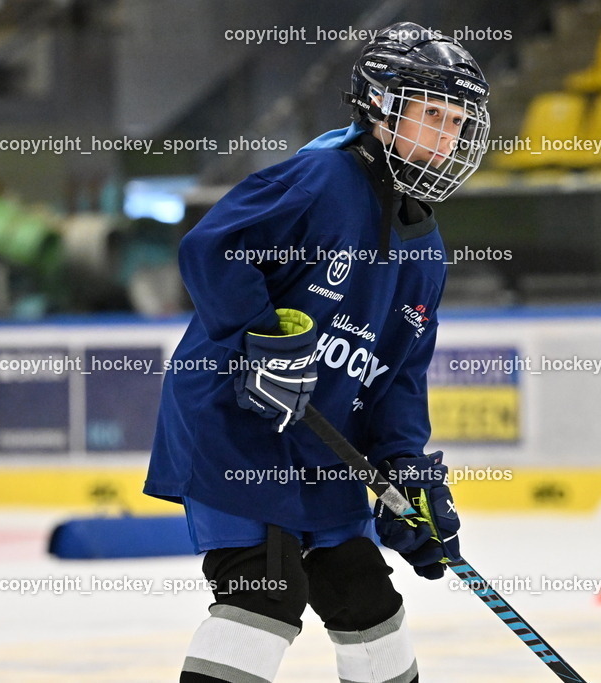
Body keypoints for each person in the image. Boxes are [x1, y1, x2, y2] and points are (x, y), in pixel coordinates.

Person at [143, 22, 491, 683]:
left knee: (366, 599)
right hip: (235, 425)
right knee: (264, 592)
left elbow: (399, 381)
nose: (446, 139)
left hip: (317, 442)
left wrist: (404, 471)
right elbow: (213, 247)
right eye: (432, 116)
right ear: (382, 110)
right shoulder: (323, 176)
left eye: (456, 122)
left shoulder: (428, 253)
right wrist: (262, 337)